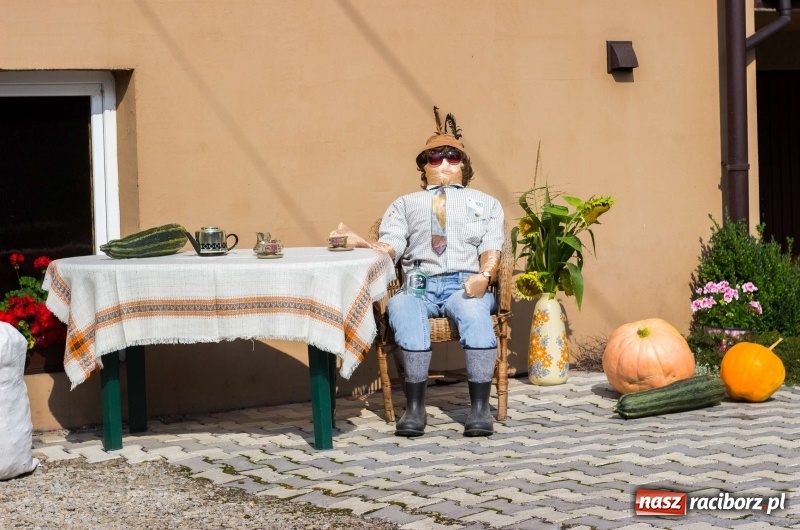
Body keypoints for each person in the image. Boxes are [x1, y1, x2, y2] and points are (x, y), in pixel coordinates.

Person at [331, 107, 504, 437]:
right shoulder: (404, 204)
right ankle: (414, 407)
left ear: (464, 165)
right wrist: (365, 244)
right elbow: (392, 244)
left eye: (452, 157)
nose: (444, 164)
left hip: (464, 282)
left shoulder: (484, 202)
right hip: (420, 282)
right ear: (423, 166)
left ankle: (480, 409)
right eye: (434, 158)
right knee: (403, 307)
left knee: (474, 314)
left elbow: (491, 243)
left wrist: (485, 275)